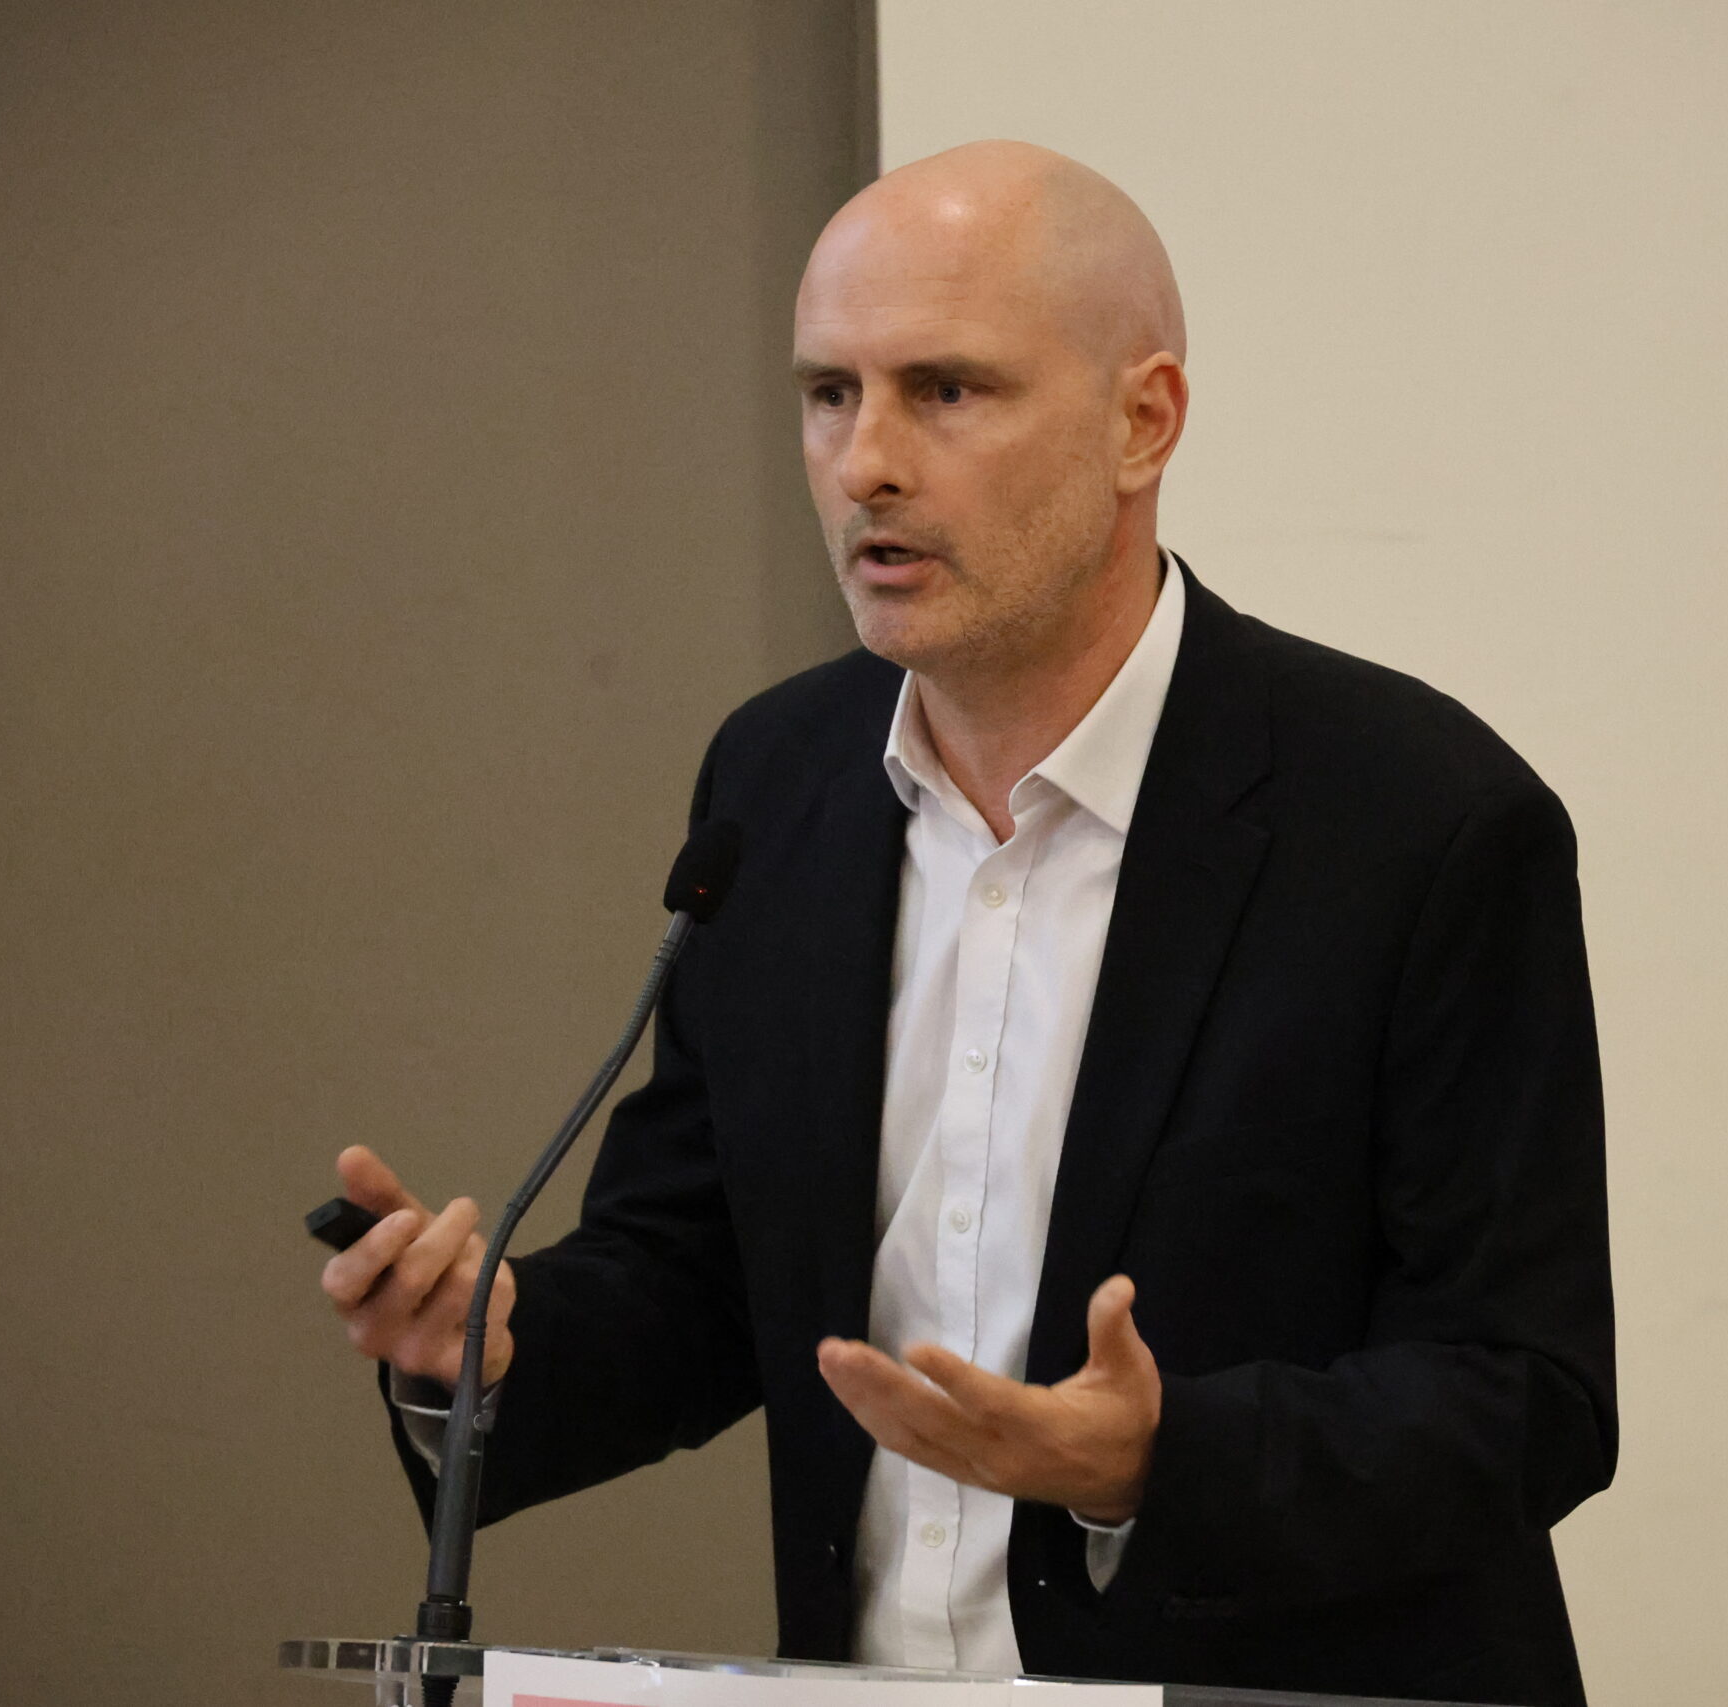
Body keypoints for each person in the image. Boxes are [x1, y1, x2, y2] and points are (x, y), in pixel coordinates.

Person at [318, 140, 1615, 1707]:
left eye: (945, 391)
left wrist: (1157, 1458)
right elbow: (705, 1270)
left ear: (1143, 422)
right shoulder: (778, 783)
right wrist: (498, 1342)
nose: (865, 463)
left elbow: (1526, 1396)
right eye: (829, 394)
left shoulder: (1418, 819)